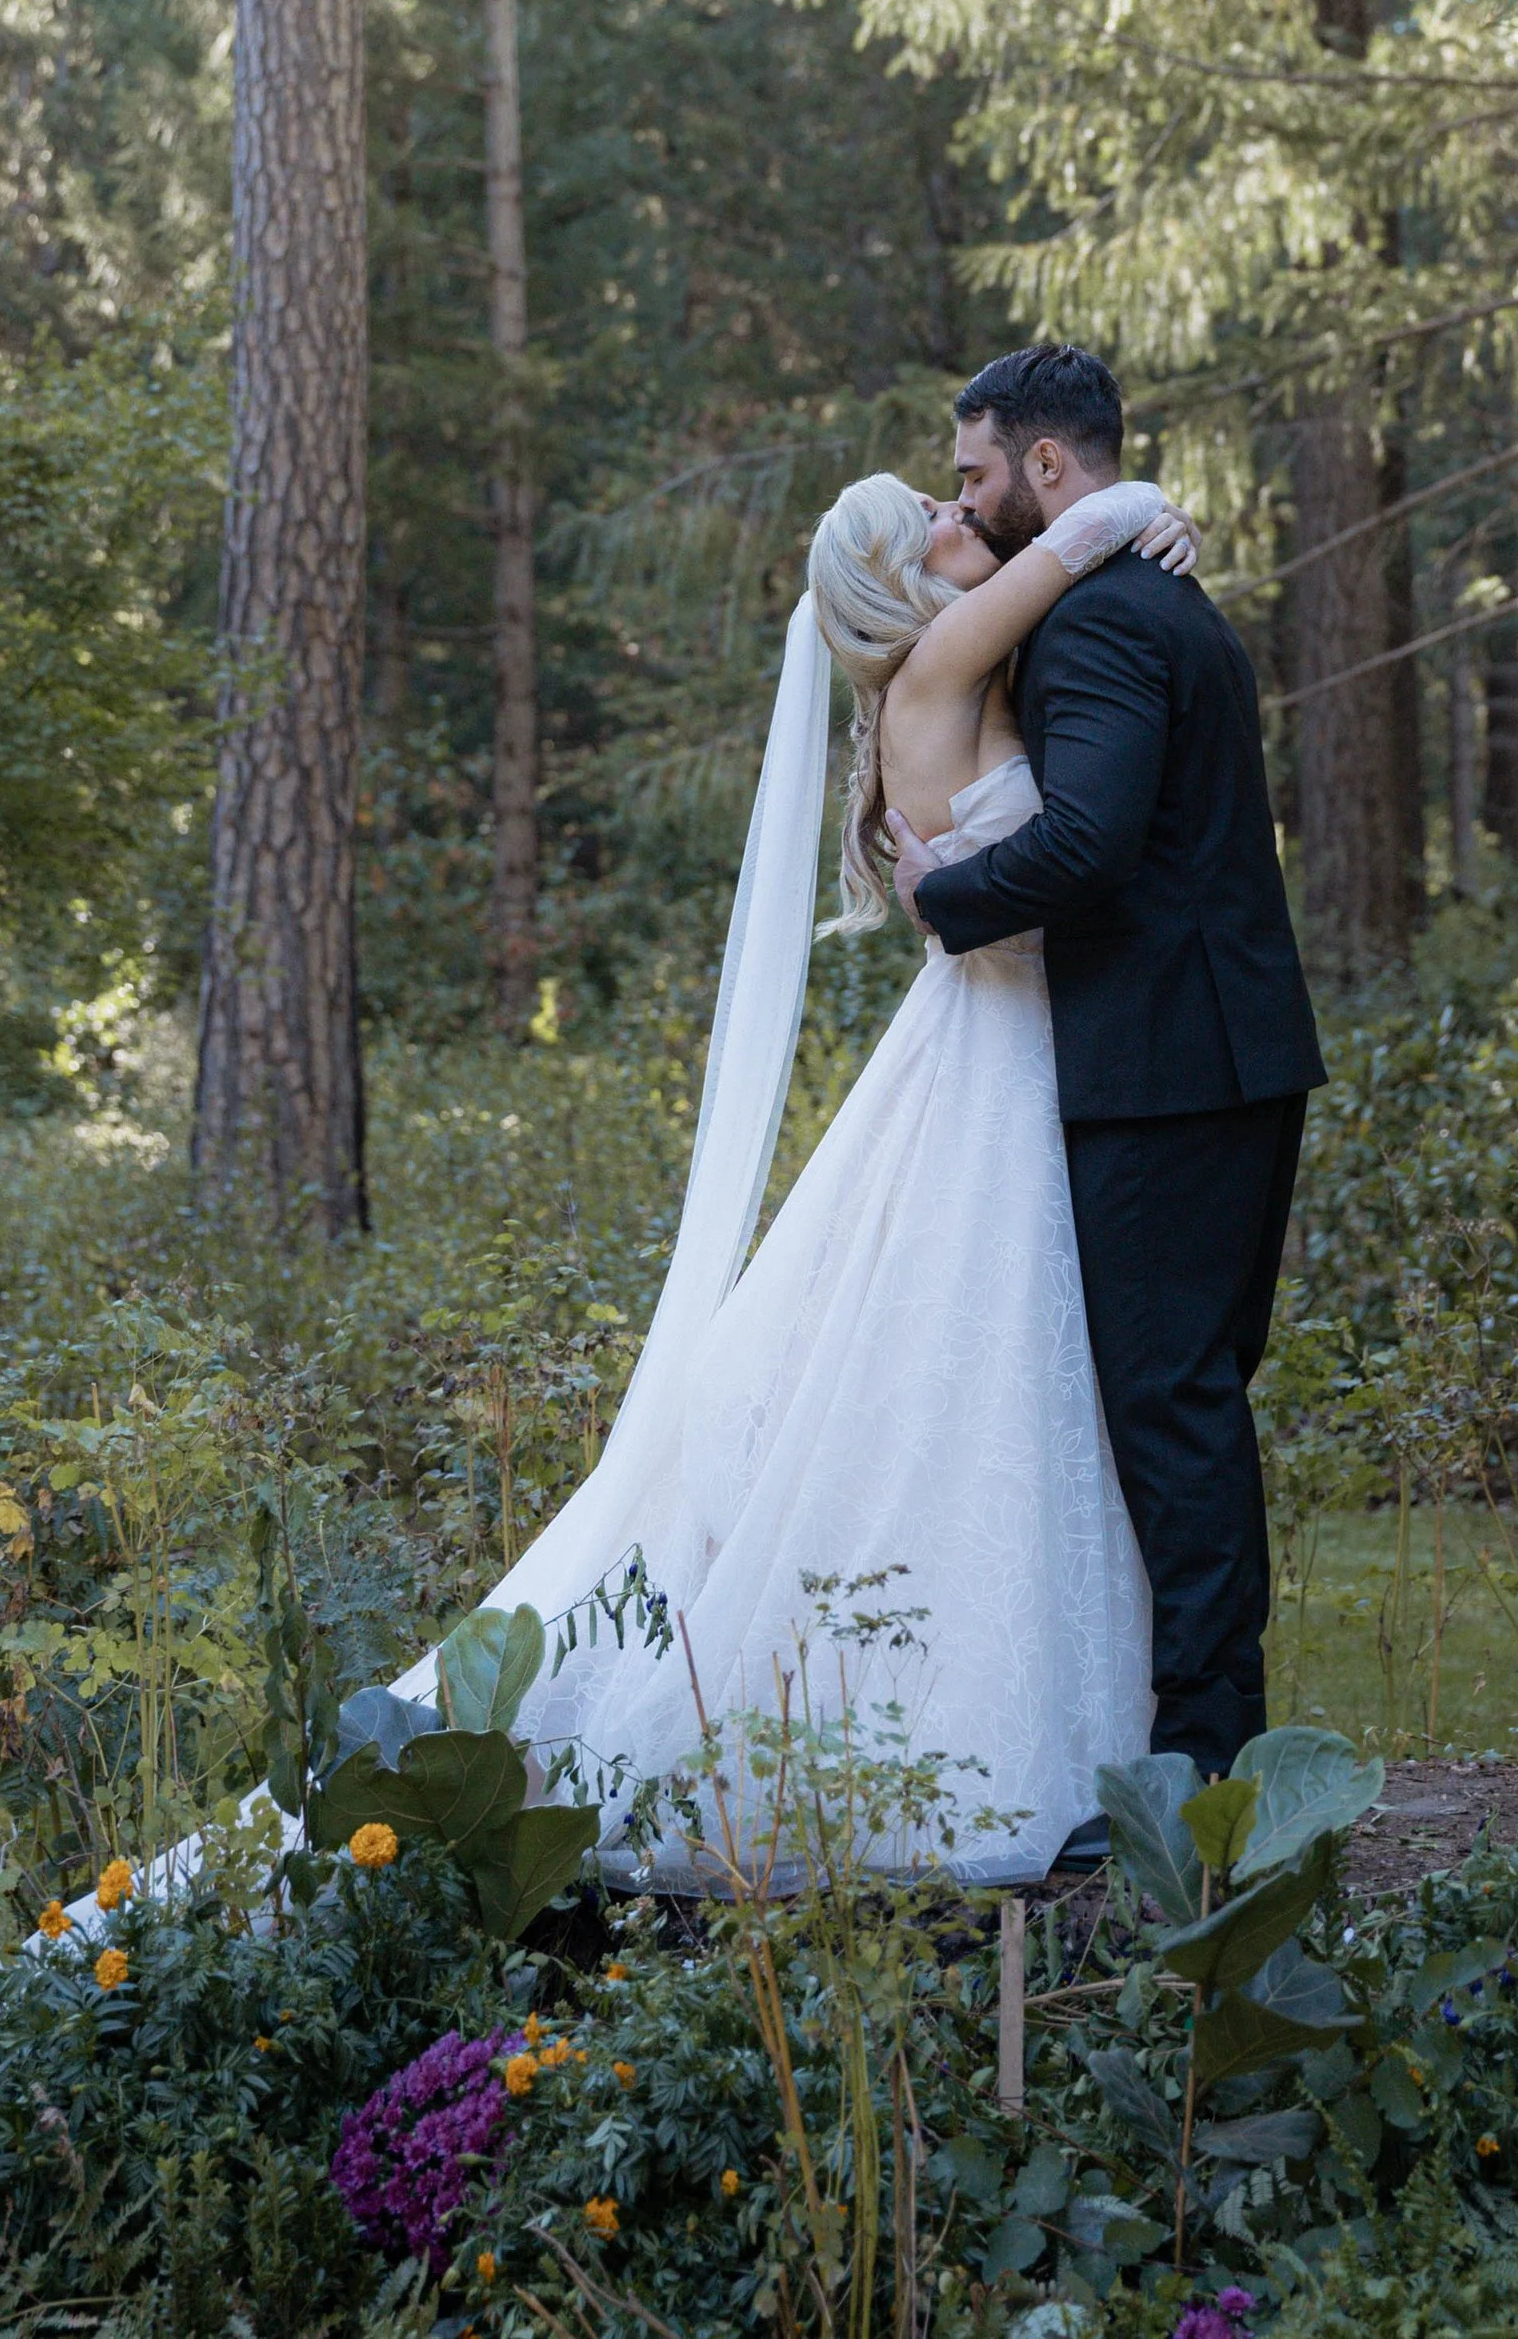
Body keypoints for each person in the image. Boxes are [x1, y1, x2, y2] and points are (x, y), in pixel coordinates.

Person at [391, 444, 1203, 1882]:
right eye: (939, 516)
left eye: (960, 501)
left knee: (986, 1374)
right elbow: (1077, 547)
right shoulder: (948, 658)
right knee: (1000, 1361)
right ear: (904, 572)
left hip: (1005, 1047)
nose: (962, 518)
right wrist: (1142, 508)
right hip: (1003, 1055)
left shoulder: (937, 683)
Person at [893, 344, 1325, 1786]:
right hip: (1232, 1051)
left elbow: (1088, 844)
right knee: (1195, 1394)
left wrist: (938, 895)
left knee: (1174, 1404)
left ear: (1050, 471)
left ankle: (1206, 1761)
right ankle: (1200, 1725)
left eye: (975, 473)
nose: (965, 496)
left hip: (1163, 1069)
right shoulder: (1165, 601)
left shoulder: (1093, 633)